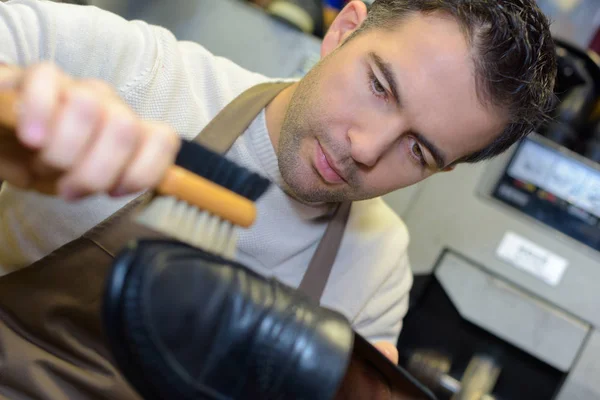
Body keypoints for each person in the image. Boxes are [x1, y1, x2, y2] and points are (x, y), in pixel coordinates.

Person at [0, 0, 555, 397]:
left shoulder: (378, 264)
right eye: (380, 88)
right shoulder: (144, 72)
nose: (365, 149)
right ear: (343, 31)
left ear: (445, 169)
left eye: (419, 151)